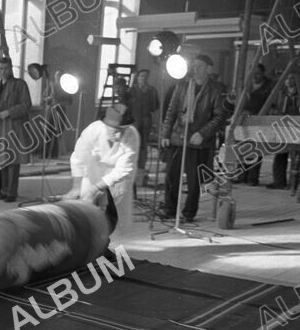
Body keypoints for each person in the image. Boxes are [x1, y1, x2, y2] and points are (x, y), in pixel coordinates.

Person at [157, 53, 227, 223]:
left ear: (209, 69)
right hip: (178, 138)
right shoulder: (182, 86)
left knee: (194, 180)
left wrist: (202, 133)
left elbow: (219, 116)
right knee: (172, 177)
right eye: (194, 66)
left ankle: (189, 213)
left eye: (200, 66)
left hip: (198, 142)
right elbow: (171, 111)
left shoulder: (216, 90)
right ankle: (170, 209)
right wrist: (165, 134)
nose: (195, 69)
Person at [65, 102, 139, 231]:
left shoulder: (132, 135)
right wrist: (76, 187)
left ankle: (119, 251)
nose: (118, 135)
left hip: (119, 181)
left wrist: (96, 188)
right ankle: (93, 249)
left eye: (122, 131)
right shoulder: (93, 131)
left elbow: (123, 169)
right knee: (86, 217)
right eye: (115, 131)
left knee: (117, 226)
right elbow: (78, 158)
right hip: (93, 173)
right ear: (105, 126)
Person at [0, 55, 33, 203]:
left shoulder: (20, 85)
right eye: (0, 68)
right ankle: (3, 190)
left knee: (13, 161)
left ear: (11, 68)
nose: (3, 71)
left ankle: (11, 192)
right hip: (1, 127)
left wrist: (9, 112)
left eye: (5, 68)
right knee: (3, 161)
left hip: (14, 127)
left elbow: (26, 105)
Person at [234, 63, 273, 186]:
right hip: (244, 120)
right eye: (253, 73)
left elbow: (270, 104)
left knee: (256, 149)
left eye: (257, 73)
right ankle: (241, 175)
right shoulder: (247, 86)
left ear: (262, 73)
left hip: (259, 120)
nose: (255, 76)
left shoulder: (269, 87)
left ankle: (252, 177)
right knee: (242, 146)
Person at [128, 69, 159, 183]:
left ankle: (141, 170)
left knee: (144, 146)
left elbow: (155, 106)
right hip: (134, 121)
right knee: (132, 144)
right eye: (141, 76)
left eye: (145, 76)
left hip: (146, 120)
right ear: (137, 77)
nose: (143, 78)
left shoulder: (151, 90)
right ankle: (131, 168)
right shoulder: (132, 90)